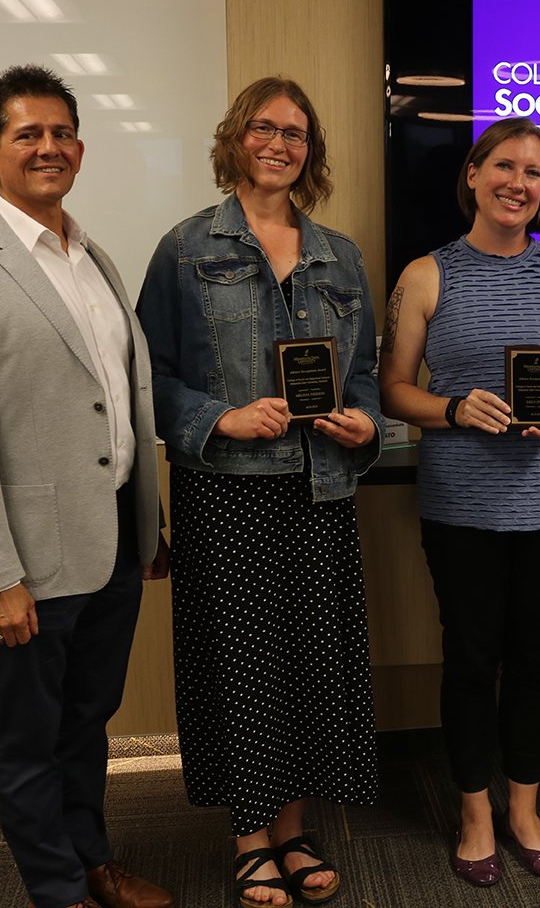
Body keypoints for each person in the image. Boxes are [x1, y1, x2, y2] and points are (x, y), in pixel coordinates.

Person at [0, 65, 173, 908]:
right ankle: (58, 892)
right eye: (28, 135)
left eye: (61, 134)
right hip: (25, 566)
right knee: (27, 742)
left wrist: (147, 523)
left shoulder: (93, 259)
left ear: (80, 150)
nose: (48, 148)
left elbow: (119, 402)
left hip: (113, 549)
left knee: (85, 727)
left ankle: (92, 860)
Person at [135, 76, 383, 908]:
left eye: (298, 135)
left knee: (313, 663)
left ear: (310, 153)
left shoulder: (339, 255)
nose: (281, 144)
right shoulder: (184, 249)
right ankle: (250, 834)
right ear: (236, 137)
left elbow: (370, 376)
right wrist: (220, 418)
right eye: (265, 129)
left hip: (321, 488)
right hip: (228, 491)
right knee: (243, 668)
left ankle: (294, 828)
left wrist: (364, 424)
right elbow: (150, 380)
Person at [378, 117, 540, 886]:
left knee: (533, 661)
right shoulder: (426, 274)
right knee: (470, 659)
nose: (520, 183)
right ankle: (475, 810)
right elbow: (393, 390)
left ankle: (524, 807)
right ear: (475, 175)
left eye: (536, 173)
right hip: (462, 506)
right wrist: (454, 408)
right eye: (506, 167)